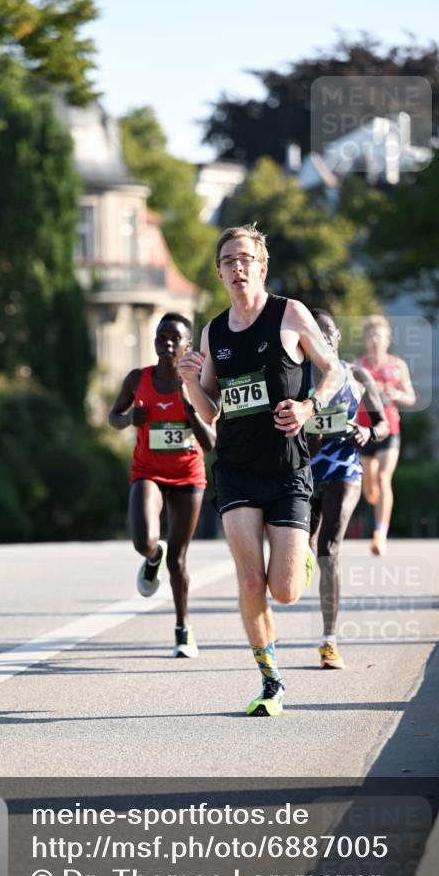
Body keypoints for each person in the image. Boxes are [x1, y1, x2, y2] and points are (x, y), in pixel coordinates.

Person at [178, 225, 344, 716]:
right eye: (227, 261)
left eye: (245, 258)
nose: (237, 268)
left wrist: (310, 407)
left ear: (262, 265)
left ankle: (305, 554)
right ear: (220, 272)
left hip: (288, 468)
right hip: (235, 469)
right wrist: (190, 381)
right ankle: (271, 680)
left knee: (286, 591)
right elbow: (209, 411)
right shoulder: (214, 331)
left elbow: (334, 370)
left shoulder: (290, 314)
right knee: (250, 580)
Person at [109, 313, 216, 658]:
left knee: (180, 561)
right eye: (161, 336)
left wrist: (188, 404)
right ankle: (153, 555)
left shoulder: (198, 384)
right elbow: (113, 415)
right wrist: (127, 419)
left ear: (187, 346)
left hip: (188, 476)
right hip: (148, 472)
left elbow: (211, 441)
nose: (167, 342)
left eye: (175, 338)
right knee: (144, 541)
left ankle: (183, 630)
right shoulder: (137, 379)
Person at [306, 309, 389, 670]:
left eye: (328, 333)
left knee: (328, 548)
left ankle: (329, 640)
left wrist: (369, 433)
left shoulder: (356, 376)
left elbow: (384, 423)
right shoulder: (295, 379)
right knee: (299, 551)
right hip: (304, 475)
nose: (323, 338)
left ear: (337, 336)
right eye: (315, 333)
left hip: (344, 470)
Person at [355, 315, 416, 556]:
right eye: (370, 336)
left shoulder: (397, 366)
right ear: (366, 340)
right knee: (370, 491)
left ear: (387, 339)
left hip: (389, 429)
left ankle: (380, 533)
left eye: (378, 336)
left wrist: (395, 394)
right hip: (365, 431)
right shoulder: (358, 366)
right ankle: (376, 504)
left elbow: (411, 397)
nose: (374, 340)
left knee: (383, 478)